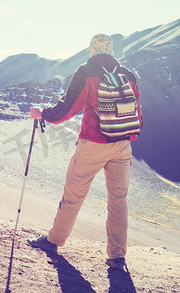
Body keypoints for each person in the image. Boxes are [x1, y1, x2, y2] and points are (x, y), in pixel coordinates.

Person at [27, 34, 143, 271]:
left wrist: (42, 113)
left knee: (74, 195)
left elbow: (66, 110)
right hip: (122, 146)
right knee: (118, 201)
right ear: (111, 50)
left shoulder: (87, 70)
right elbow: (138, 115)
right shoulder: (127, 74)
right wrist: (125, 139)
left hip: (93, 143)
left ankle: (54, 241)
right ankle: (117, 257)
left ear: (91, 50)